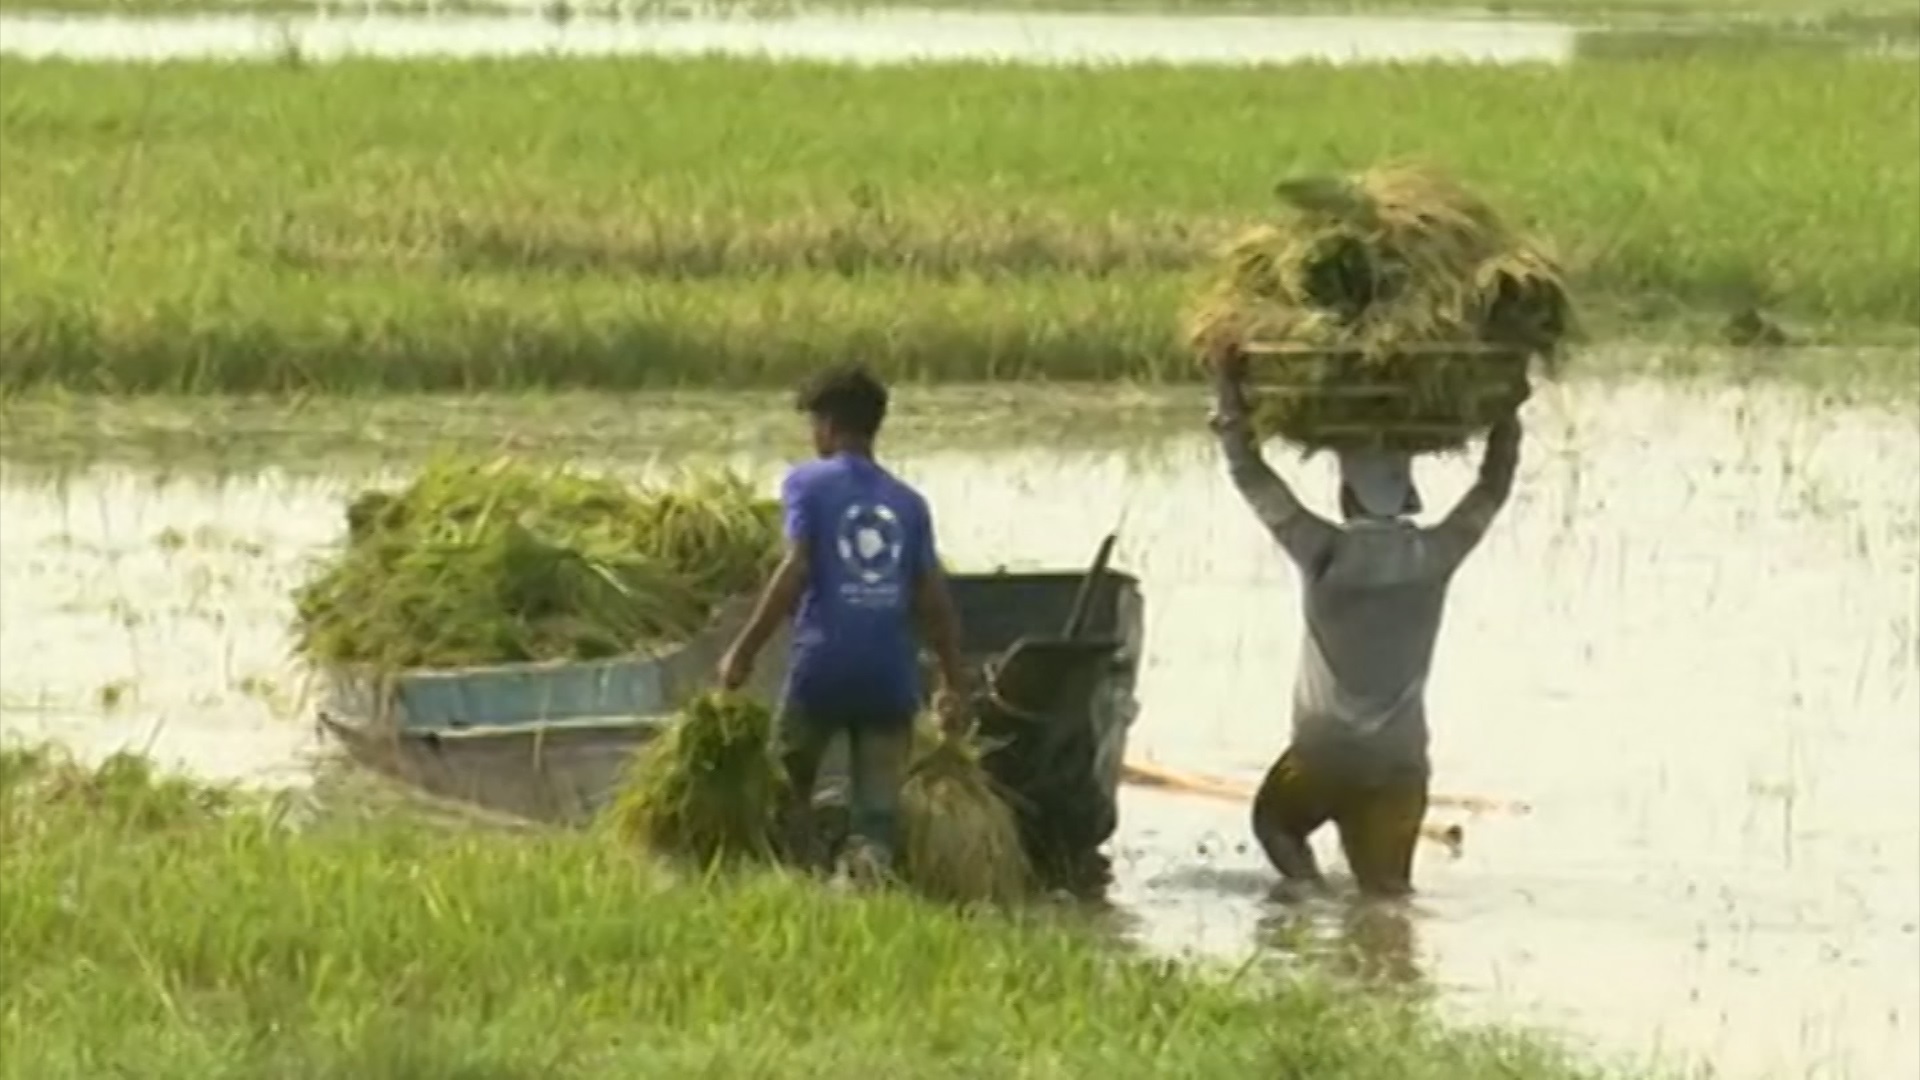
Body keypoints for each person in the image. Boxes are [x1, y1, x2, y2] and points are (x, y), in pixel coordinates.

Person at [1207, 346, 1522, 898]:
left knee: (1276, 826)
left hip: (1322, 754)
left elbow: (1251, 476)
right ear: (1409, 495)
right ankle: (1379, 948)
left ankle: (1309, 899)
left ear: (1347, 494)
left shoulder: (1323, 552)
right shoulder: (1436, 553)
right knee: (1388, 896)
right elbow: (1491, 489)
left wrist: (1229, 395)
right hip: (1400, 761)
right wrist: (1507, 419)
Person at [717, 362, 968, 886]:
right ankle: (866, 881)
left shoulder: (807, 484)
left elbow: (797, 568)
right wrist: (952, 682)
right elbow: (934, 600)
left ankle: (795, 884)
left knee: (786, 792)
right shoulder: (909, 503)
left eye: (813, 423)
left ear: (828, 425)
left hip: (822, 668)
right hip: (889, 679)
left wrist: (744, 650)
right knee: (876, 815)